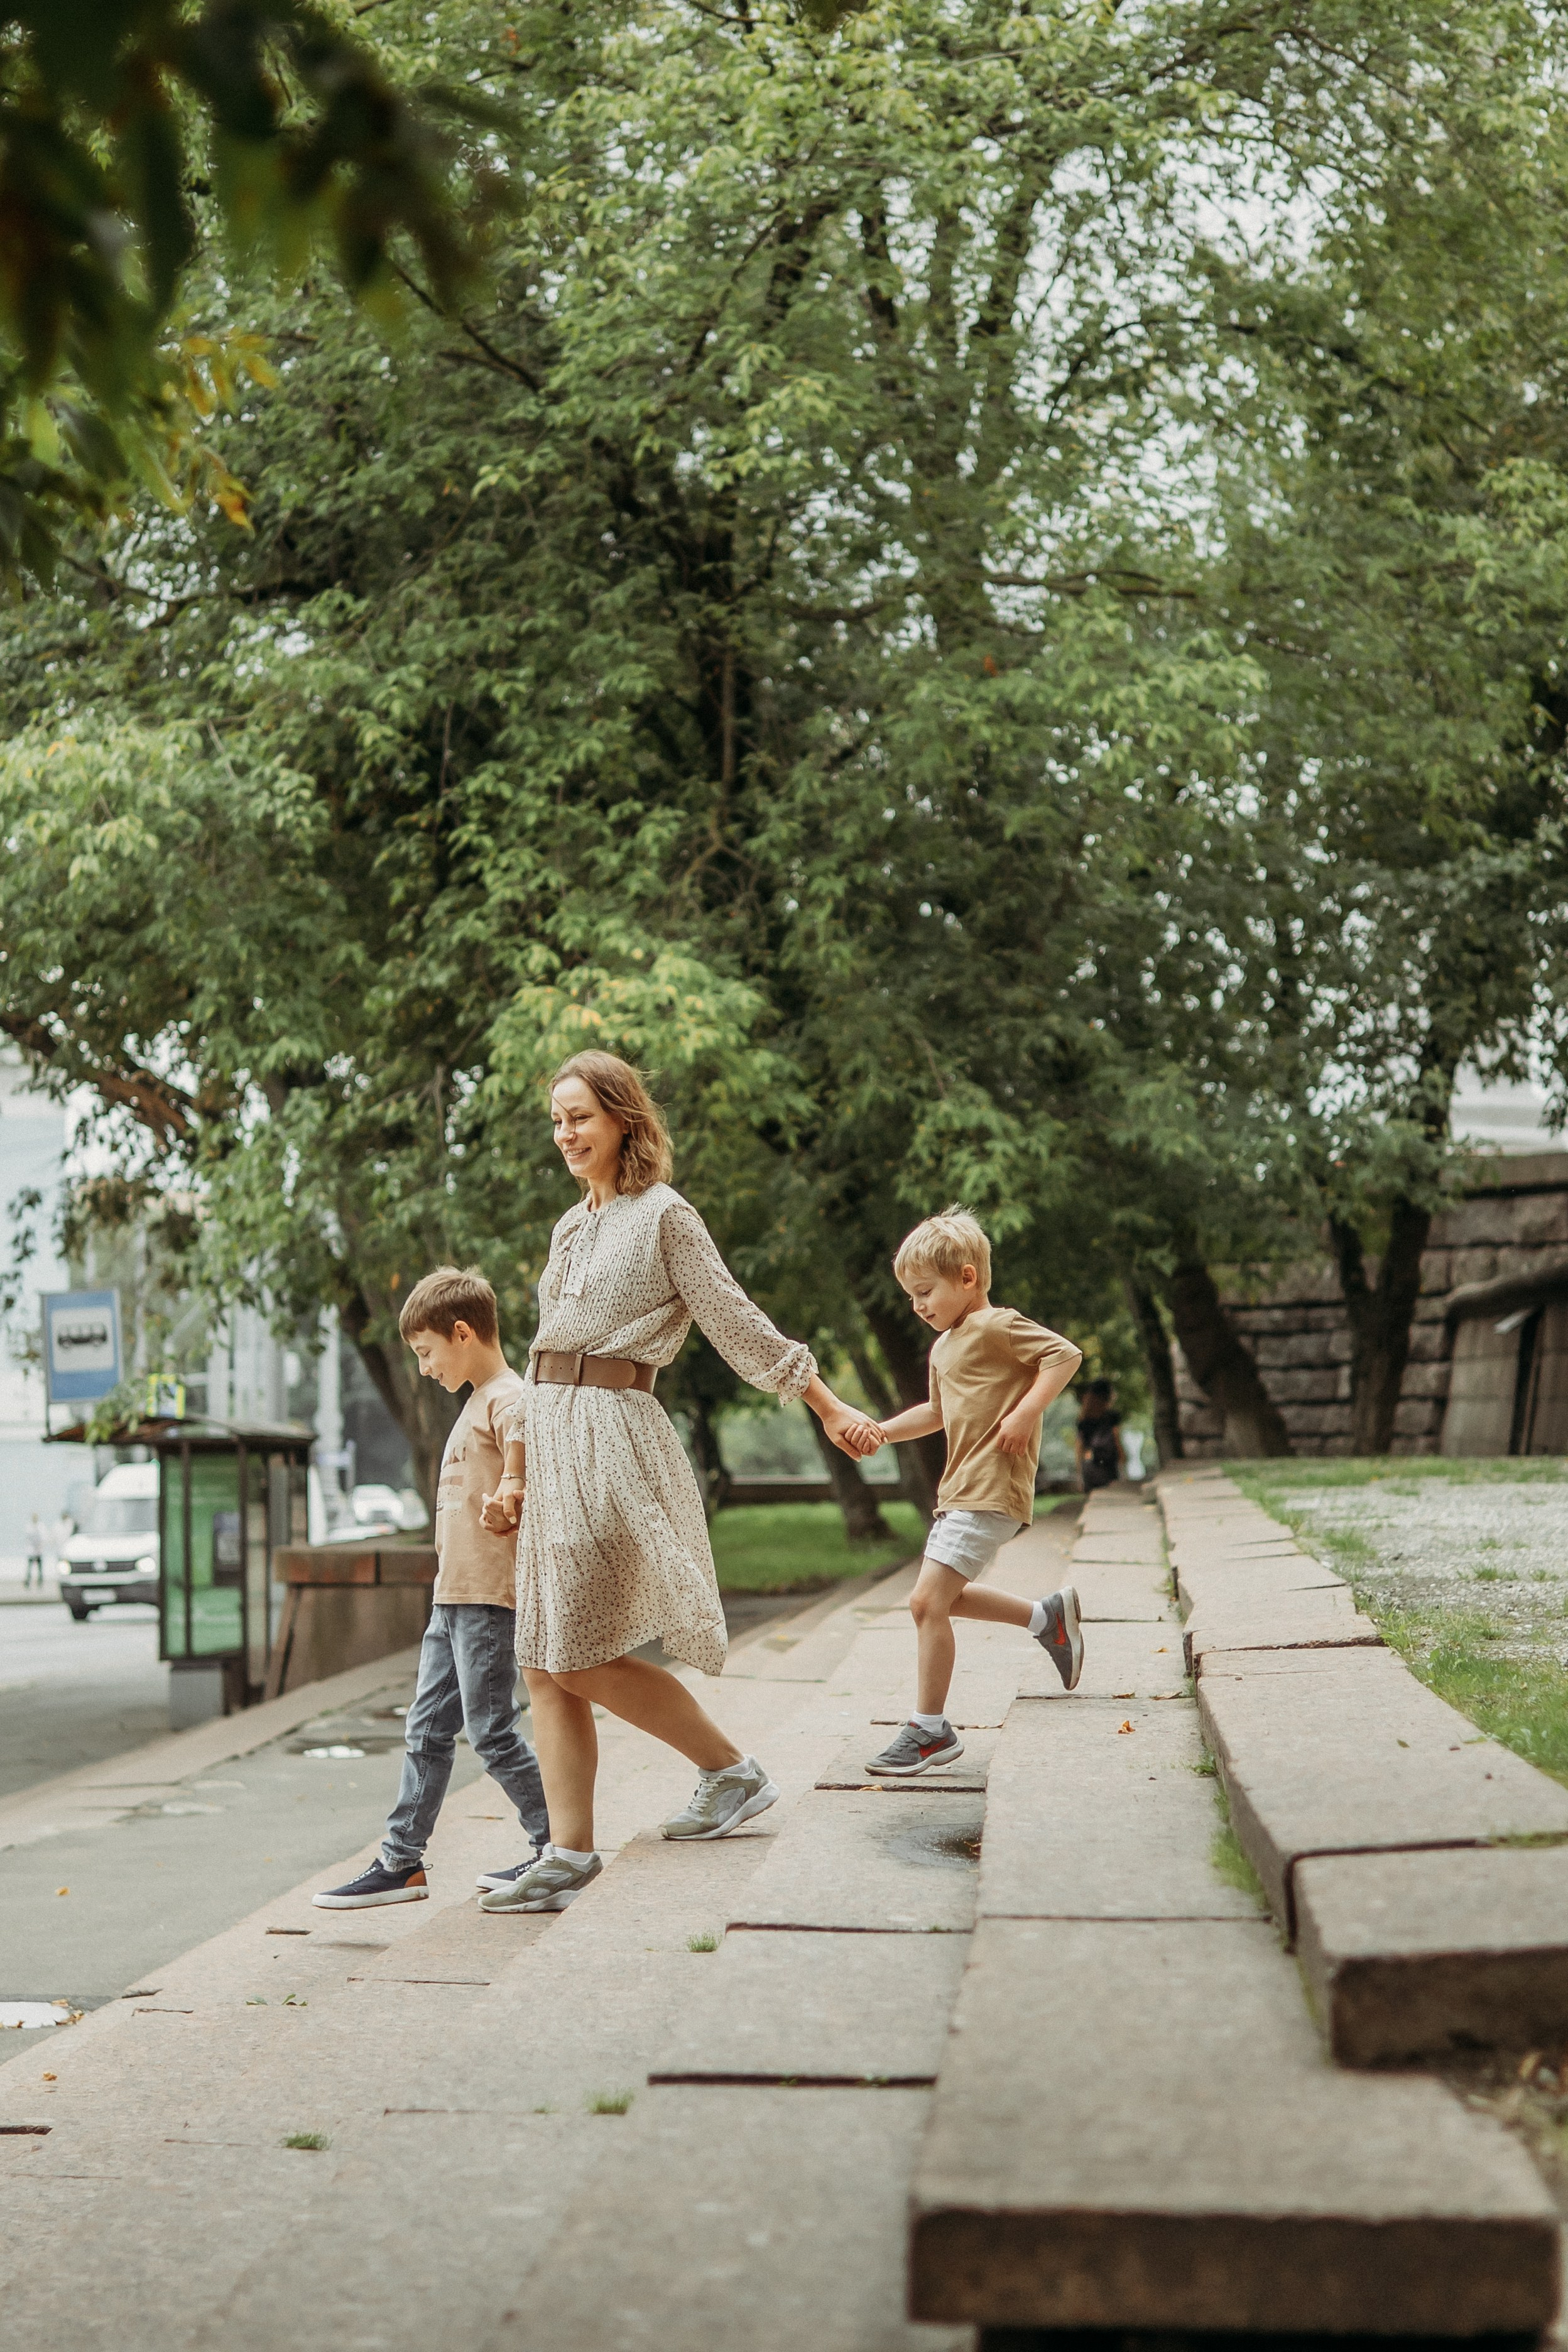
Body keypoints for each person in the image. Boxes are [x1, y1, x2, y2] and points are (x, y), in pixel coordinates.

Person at [476, 1051, 877, 1915]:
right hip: (553, 1439)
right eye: (556, 1120)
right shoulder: (568, 1226)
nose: (566, 1134)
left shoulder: (665, 1216)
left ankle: (729, 1771)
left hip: (614, 1438)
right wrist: (516, 1471)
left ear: (624, 1116)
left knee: (578, 1653)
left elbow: (735, 1318)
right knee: (545, 1662)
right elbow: (547, 1352)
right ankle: (569, 1851)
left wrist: (826, 1402)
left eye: (580, 1116)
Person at [313, 1266, 551, 1909]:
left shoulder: (508, 1397)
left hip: (486, 1600)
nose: (422, 1369)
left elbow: (523, 1459)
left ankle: (558, 1846)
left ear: (463, 1333)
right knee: (424, 1731)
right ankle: (401, 1862)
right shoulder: (476, 1402)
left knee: (493, 1732)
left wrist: (511, 1491)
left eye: (426, 1353)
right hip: (452, 1601)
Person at [858, 1208, 1085, 1778]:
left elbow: (1065, 1355)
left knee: (924, 1602)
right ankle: (1046, 1619)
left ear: (966, 1277)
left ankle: (930, 1731)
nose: (918, 1306)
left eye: (925, 1291)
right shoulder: (944, 1347)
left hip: (991, 1485)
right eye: (910, 1296)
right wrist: (883, 1431)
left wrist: (1026, 1411)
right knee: (945, 1598)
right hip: (961, 1489)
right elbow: (936, 1413)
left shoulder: (997, 1325)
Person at [1075, 1376, 1126, 1493]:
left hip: (1090, 1467)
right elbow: (1116, 1440)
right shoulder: (1112, 1416)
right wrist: (1123, 1459)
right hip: (1108, 1467)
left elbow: (1079, 1449)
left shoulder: (1084, 1419)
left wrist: (1080, 1475)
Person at [23, 1513, 45, 1590]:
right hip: (31, 1551)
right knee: (30, 1569)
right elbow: (29, 1538)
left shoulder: (40, 1526)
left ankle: (40, 1584)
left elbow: (42, 1538)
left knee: (40, 1569)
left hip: (39, 1551)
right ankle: (28, 1583)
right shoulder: (29, 1526)